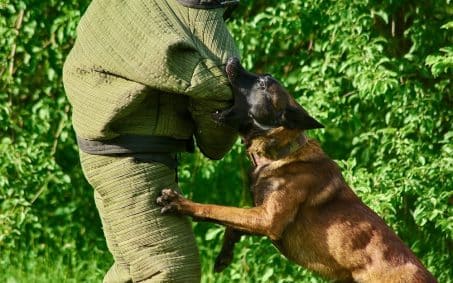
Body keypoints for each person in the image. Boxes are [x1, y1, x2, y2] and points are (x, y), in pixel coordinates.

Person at [62, 0, 240, 282]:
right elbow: (221, 93)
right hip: (130, 158)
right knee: (171, 270)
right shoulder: (199, 19)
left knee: (132, 272)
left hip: (113, 150)